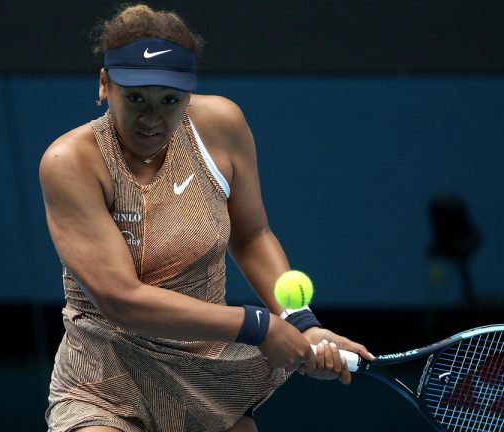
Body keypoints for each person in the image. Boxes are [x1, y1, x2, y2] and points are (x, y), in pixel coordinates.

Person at [39, 5, 374, 432]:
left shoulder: (220, 126)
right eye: (135, 97)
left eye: (169, 100)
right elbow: (121, 299)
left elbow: (253, 236)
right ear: (105, 85)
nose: (151, 119)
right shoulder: (70, 161)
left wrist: (301, 322)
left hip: (207, 372)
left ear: (189, 94)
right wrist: (258, 325)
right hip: (104, 377)